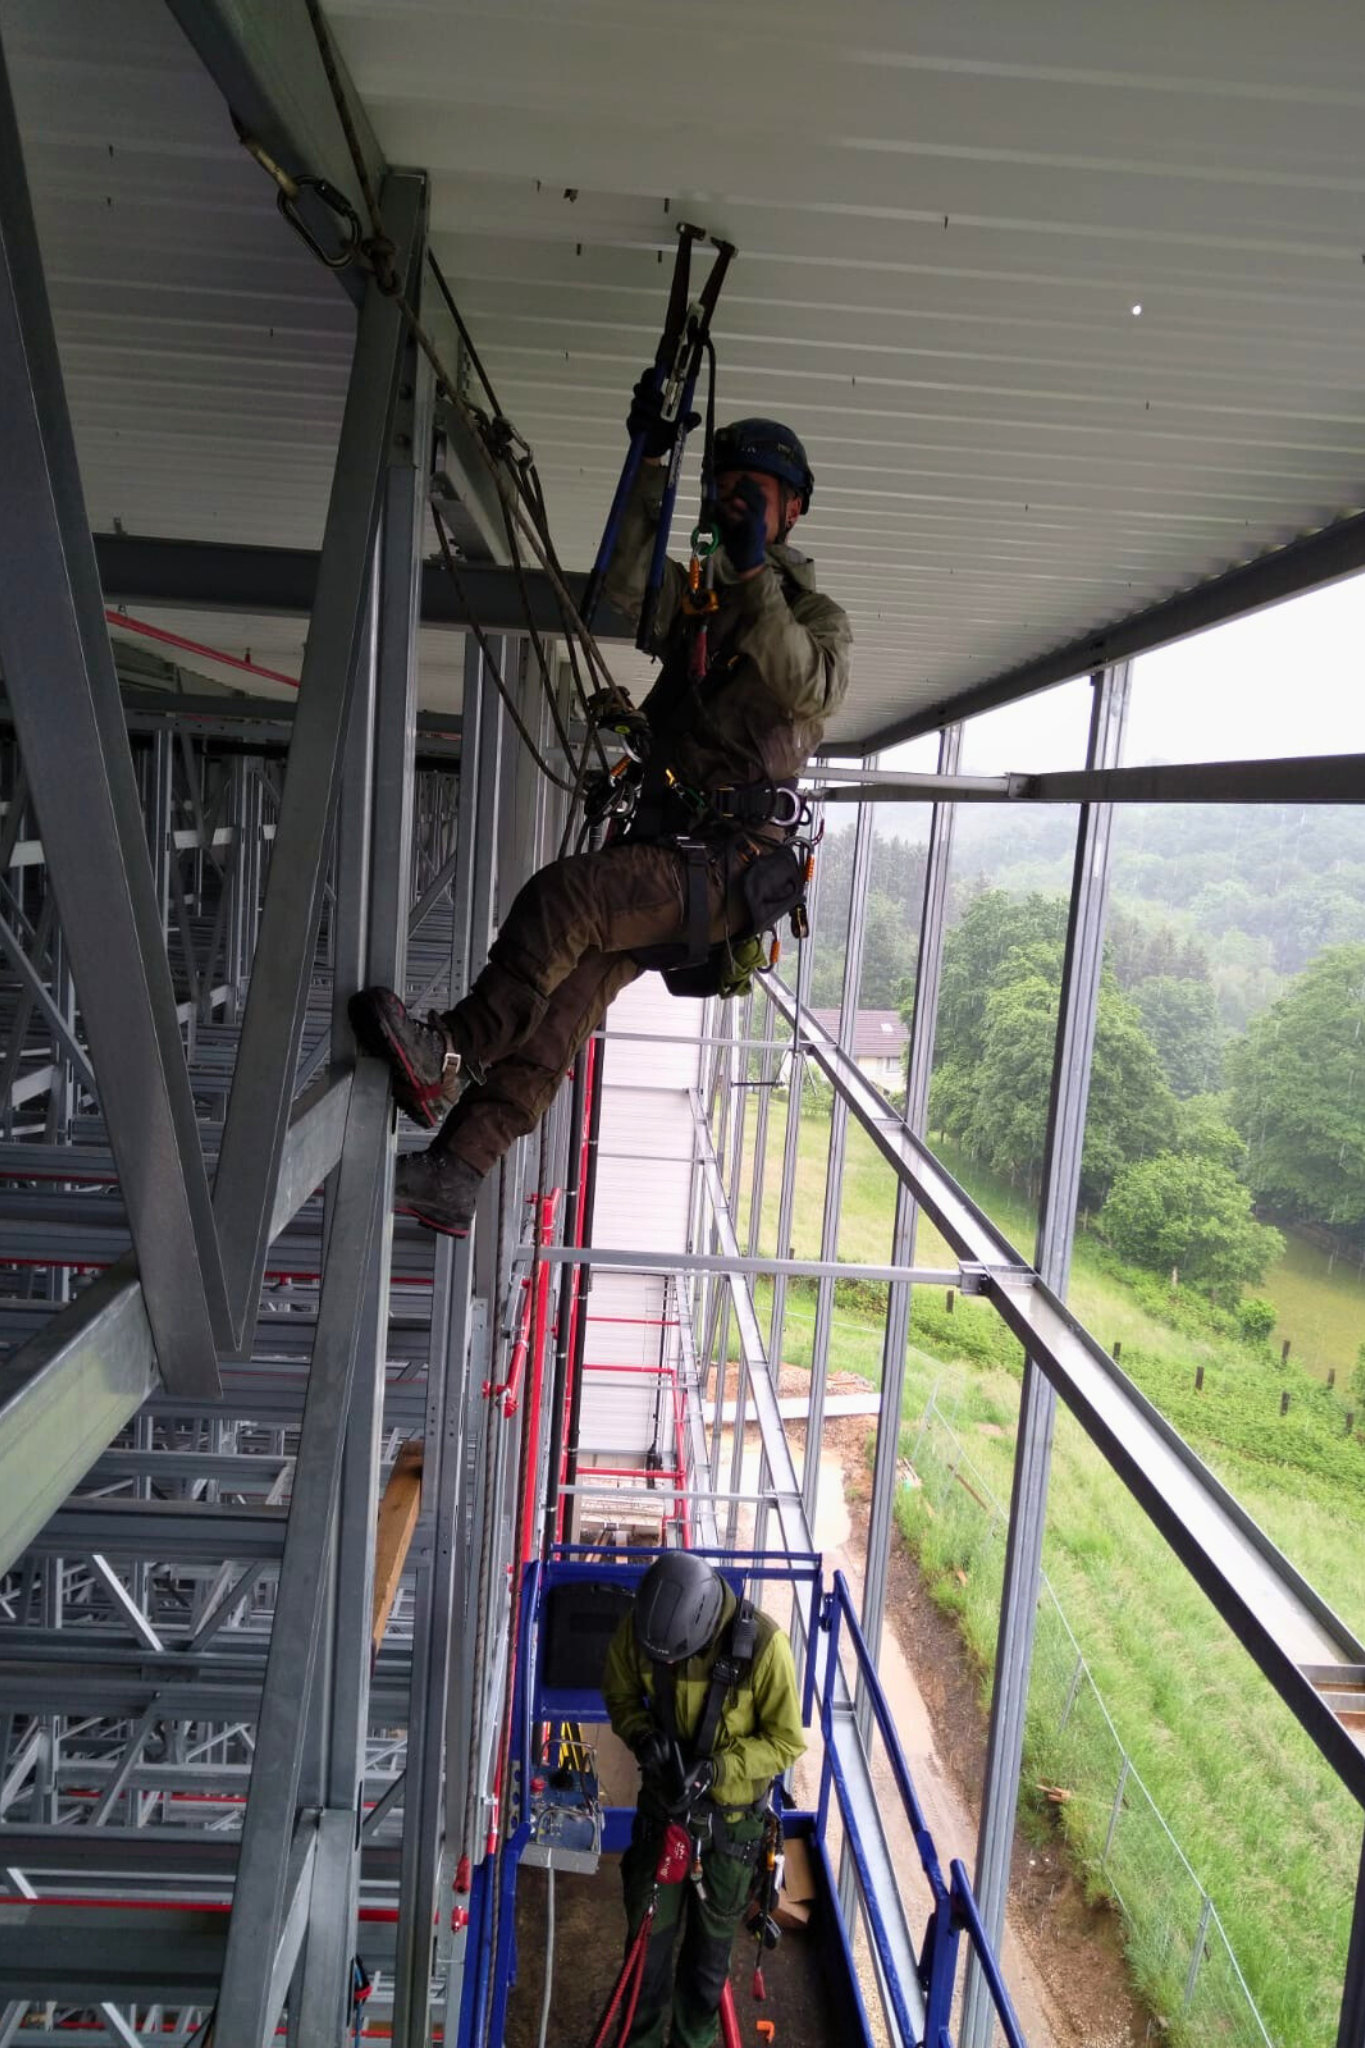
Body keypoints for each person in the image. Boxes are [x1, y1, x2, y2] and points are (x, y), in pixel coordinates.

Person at [349, 390, 852, 1236]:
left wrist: (755, 572)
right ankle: (458, 1170)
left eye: (753, 492)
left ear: (791, 509)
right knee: (562, 1002)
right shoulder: (701, 595)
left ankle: (450, 1051)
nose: (734, 503)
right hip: (680, 847)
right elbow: (627, 588)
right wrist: (649, 468)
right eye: (725, 488)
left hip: (727, 864)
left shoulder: (809, 617)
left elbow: (809, 684)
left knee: (565, 900)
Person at [600, 1551, 805, 2048]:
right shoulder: (645, 1627)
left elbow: (785, 1741)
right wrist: (643, 1736)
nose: (664, 1664)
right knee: (645, 1954)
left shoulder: (764, 1646)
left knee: (706, 1970)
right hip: (664, 1819)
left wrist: (717, 1769)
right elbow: (620, 1694)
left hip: (729, 1832)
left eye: (675, 1658)